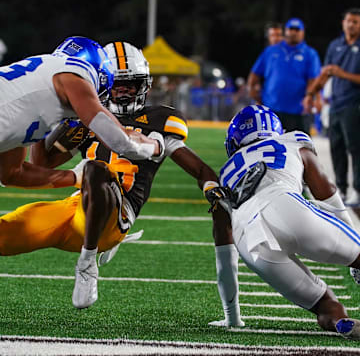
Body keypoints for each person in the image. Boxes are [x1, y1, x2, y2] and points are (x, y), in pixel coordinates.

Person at [0, 41, 240, 320]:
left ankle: (87, 264)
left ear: (144, 86)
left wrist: (212, 188)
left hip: (116, 215)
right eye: (118, 85)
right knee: (6, 233)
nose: (123, 92)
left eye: (131, 85)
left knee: (96, 169)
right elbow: (40, 164)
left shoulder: (159, 120)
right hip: (76, 207)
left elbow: (200, 169)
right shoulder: (83, 113)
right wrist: (46, 121)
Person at [206, 104, 360, 340]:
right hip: (285, 205)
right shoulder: (291, 141)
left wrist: (232, 316)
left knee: (325, 305)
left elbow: (225, 254)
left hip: (251, 242)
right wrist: (352, 246)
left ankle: (340, 321)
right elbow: (324, 190)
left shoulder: (225, 175)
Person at [0, 36, 162, 190]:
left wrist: (76, 176)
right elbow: (121, 141)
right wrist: (156, 146)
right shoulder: (74, 73)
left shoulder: (27, 96)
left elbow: (12, 175)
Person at [303, 8, 360, 206]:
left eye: (355, 22)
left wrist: (342, 73)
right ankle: (342, 189)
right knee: (337, 149)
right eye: (349, 21)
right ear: (343, 23)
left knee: (356, 148)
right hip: (336, 105)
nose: (351, 25)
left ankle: (358, 190)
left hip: (355, 105)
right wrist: (311, 94)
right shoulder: (336, 45)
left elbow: (337, 72)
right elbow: (325, 74)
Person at [247, 18, 321, 134]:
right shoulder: (270, 51)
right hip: (271, 110)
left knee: (300, 149)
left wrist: (311, 97)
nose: (293, 32)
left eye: (297, 30)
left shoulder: (310, 54)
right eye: (291, 29)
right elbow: (255, 74)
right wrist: (253, 91)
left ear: (303, 32)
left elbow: (314, 80)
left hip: (298, 111)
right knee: (270, 148)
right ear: (285, 31)